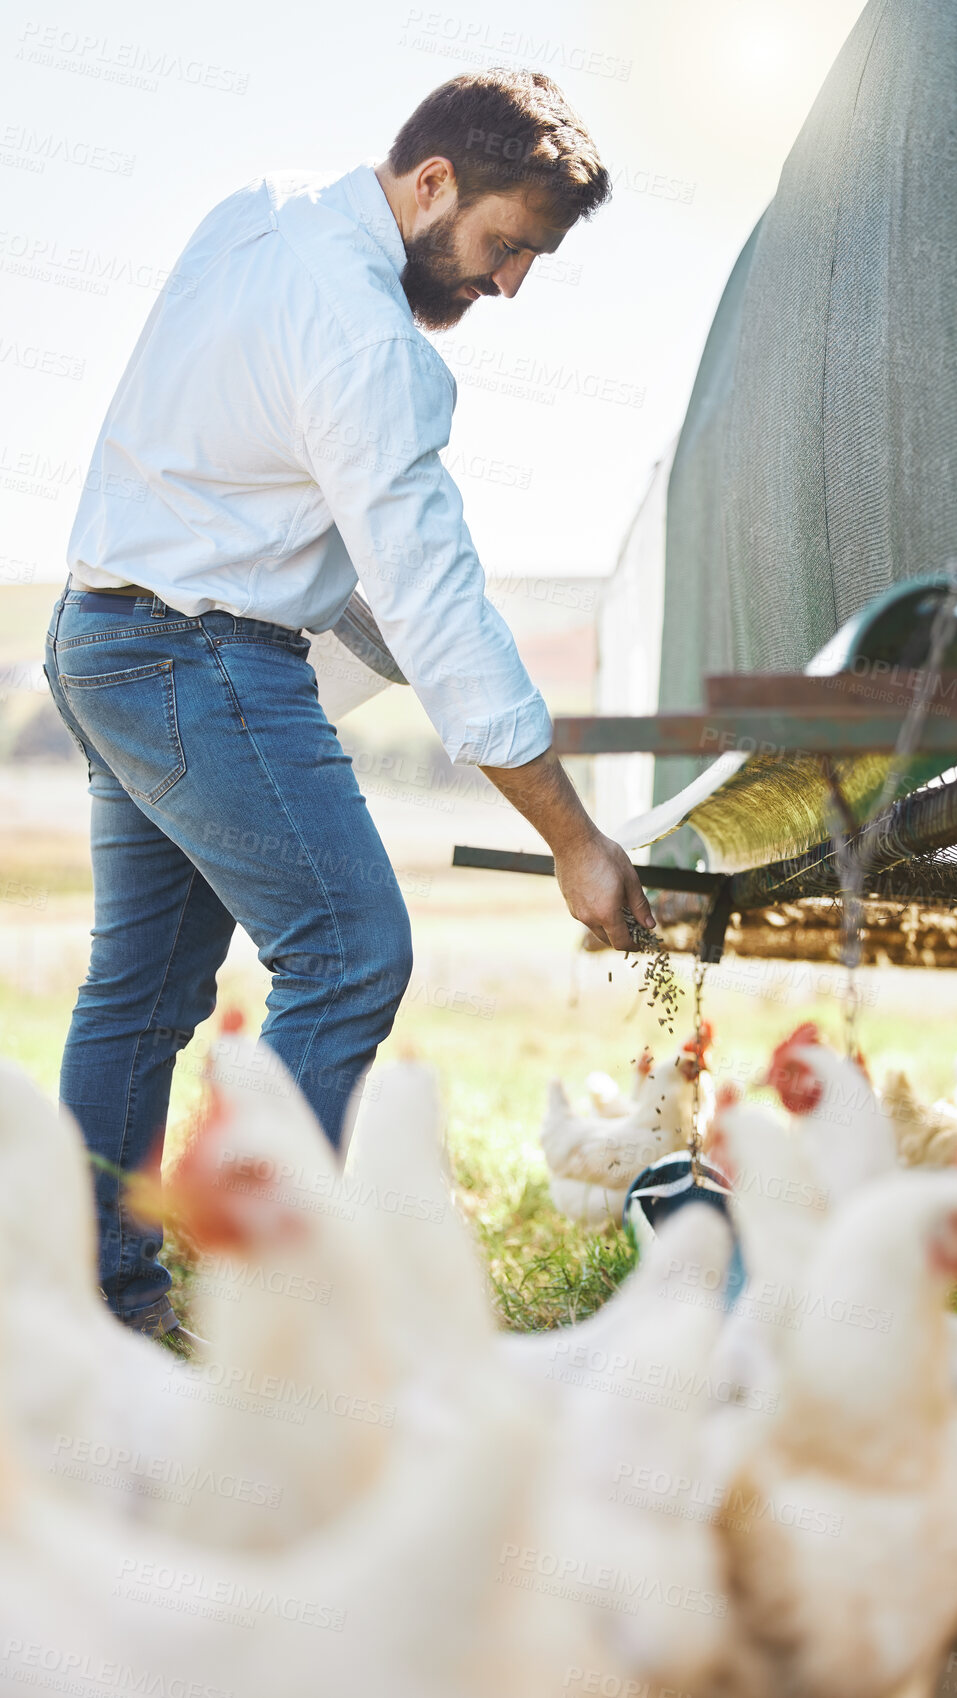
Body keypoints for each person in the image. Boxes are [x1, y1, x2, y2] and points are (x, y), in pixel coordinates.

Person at [43, 67, 657, 1343]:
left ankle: (92, 1310)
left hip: (103, 632)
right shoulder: (372, 341)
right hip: (195, 655)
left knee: (141, 996)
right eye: (503, 247)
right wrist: (574, 842)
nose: (507, 286)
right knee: (349, 953)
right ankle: (272, 1321)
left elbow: (342, 567)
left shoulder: (255, 214)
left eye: (530, 262)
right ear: (432, 182)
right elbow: (431, 602)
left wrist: (465, 689)